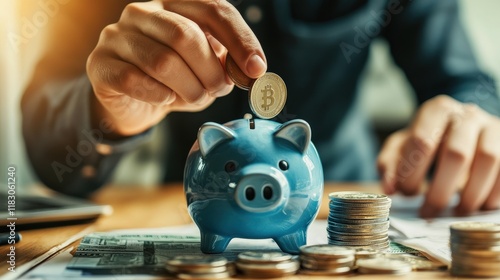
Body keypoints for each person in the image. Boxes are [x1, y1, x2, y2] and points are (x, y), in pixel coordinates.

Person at [21, 0, 500, 218]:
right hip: (193, 201)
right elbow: (50, 155)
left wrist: (470, 114)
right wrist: (111, 116)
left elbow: (462, 79)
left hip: (340, 203)